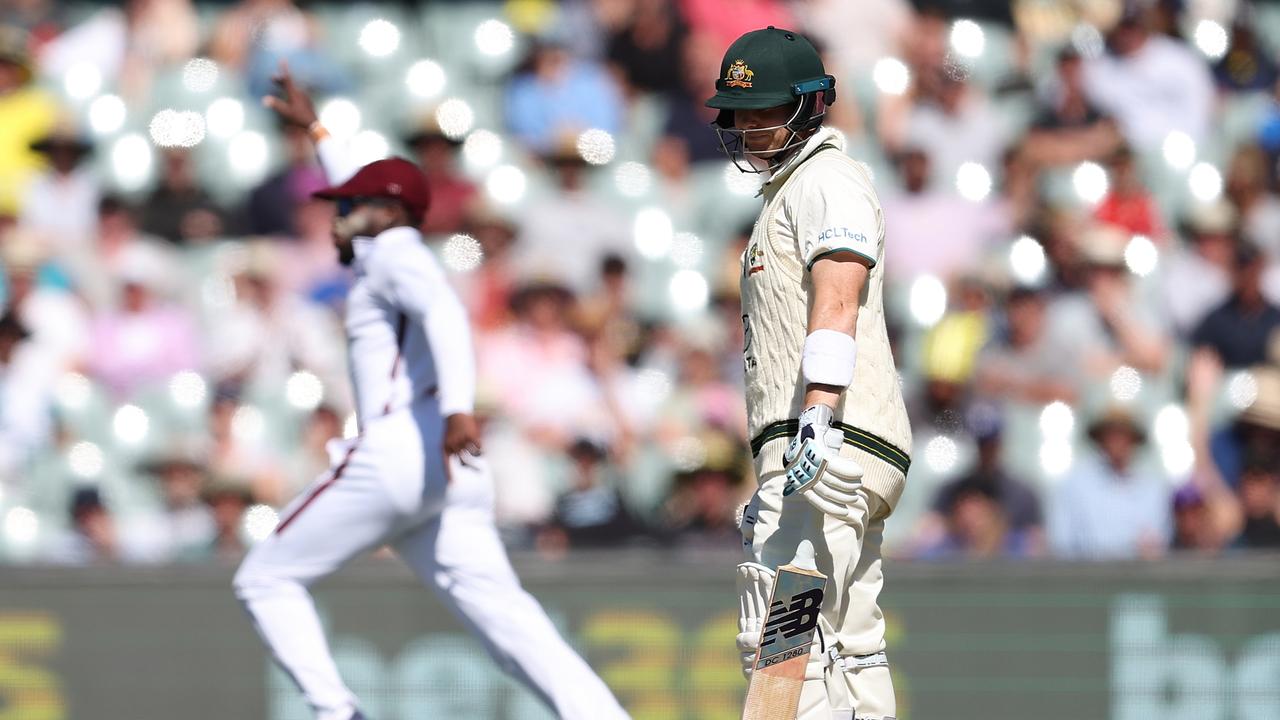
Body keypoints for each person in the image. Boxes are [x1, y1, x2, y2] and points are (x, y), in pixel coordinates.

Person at [233, 66, 628, 720]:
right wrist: (319, 130)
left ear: (385, 212)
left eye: (346, 205)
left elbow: (444, 313)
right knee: (511, 624)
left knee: (264, 578)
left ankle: (337, 712)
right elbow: (392, 216)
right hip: (445, 475)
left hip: (402, 450)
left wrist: (457, 412)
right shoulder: (389, 246)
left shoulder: (393, 249)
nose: (334, 215)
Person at [706, 27, 910, 719]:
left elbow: (839, 296)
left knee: (781, 640)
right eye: (740, 112)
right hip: (831, 443)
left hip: (829, 439)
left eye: (764, 110)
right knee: (852, 645)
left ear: (810, 105)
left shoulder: (828, 180)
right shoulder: (794, 190)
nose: (747, 128)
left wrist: (819, 413)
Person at [1048, 407, 1170, 559]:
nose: (1117, 441)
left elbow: (1157, 542)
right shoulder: (1074, 484)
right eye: (1111, 434)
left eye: (1123, 434)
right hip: (1086, 577)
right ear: (1100, 439)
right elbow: (1062, 543)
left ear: (1134, 439)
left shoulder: (1152, 489)